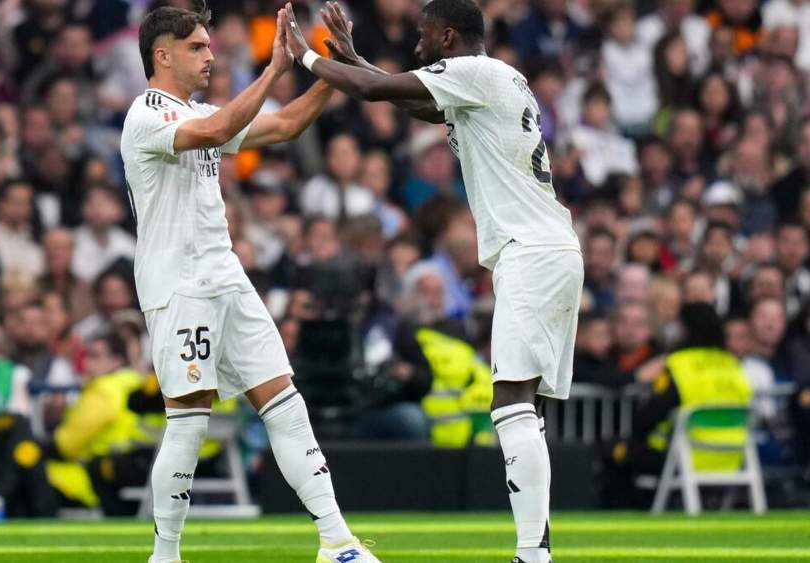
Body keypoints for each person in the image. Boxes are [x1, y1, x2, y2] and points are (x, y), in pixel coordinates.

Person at [287, 3, 584, 561]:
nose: (416, 43)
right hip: (549, 249)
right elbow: (412, 101)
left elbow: (381, 94)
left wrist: (301, 54)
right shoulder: (495, 78)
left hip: (532, 253)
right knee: (526, 408)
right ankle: (537, 548)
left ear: (448, 36)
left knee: (511, 402)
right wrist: (352, 58)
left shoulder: (474, 72)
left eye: (424, 35)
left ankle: (533, 554)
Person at [123, 6, 378, 562]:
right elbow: (217, 130)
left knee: (284, 400)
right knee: (188, 419)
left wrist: (335, 64)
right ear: (162, 55)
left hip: (225, 276)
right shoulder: (147, 115)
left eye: (209, 45)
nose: (210, 55)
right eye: (197, 47)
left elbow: (284, 125)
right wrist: (274, 68)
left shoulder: (201, 111)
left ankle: (337, 543)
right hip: (179, 284)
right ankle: (164, 555)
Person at [599, 303, 752, 507]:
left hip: (685, 457)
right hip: (733, 457)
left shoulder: (679, 364)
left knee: (613, 451)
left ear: (685, 329)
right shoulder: (733, 365)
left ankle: (630, 514)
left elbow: (651, 415)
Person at [44, 332, 154, 516]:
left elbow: (66, 444)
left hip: (99, 474)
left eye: (94, 356)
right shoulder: (135, 382)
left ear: (116, 361)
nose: (86, 363)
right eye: (85, 355)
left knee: (35, 472)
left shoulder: (103, 390)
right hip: (140, 466)